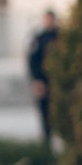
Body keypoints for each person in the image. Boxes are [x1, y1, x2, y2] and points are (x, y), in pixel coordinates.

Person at [27, 9, 60, 148]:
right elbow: (32, 61)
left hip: (58, 81)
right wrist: (36, 80)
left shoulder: (60, 36)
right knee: (44, 112)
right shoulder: (39, 38)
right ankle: (47, 141)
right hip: (43, 81)